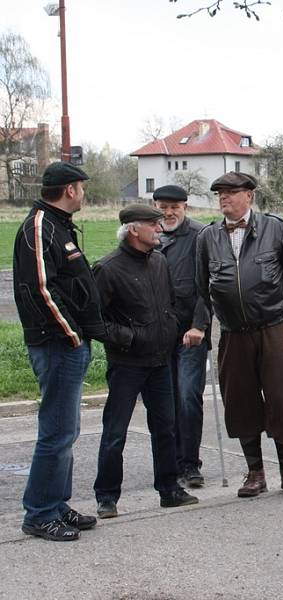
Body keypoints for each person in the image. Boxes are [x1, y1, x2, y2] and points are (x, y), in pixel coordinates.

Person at [195, 172, 283, 499]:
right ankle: (255, 473)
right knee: (241, 401)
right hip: (234, 333)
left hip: (273, 328)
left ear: (250, 196)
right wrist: (207, 321)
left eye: (231, 193)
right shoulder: (208, 237)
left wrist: (281, 303)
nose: (224, 199)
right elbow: (199, 286)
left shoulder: (276, 228)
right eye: (220, 194)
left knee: (280, 398)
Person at [12, 162, 106, 541]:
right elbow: (40, 288)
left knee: (66, 430)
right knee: (55, 431)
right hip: (56, 344)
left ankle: (55, 503)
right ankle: (39, 513)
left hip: (67, 342)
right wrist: (72, 335)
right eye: (81, 187)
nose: (83, 193)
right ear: (70, 189)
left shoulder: (58, 224)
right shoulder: (39, 225)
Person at [93, 204, 198, 518]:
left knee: (165, 428)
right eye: (153, 224)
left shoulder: (159, 262)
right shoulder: (108, 268)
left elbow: (169, 304)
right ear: (133, 230)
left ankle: (169, 490)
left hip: (160, 361)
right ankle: (107, 497)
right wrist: (131, 338)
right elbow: (95, 321)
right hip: (127, 364)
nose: (160, 228)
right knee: (115, 431)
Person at [154, 184, 211, 488]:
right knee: (166, 399)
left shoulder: (200, 236)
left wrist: (200, 326)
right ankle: (170, 462)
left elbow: (208, 285)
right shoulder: (148, 234)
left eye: (174, 207)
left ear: (185, 207)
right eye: (163, 207)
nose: (169, 212)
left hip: (191, 332)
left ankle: (190, 463)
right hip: (159, 334)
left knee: (188, 395)